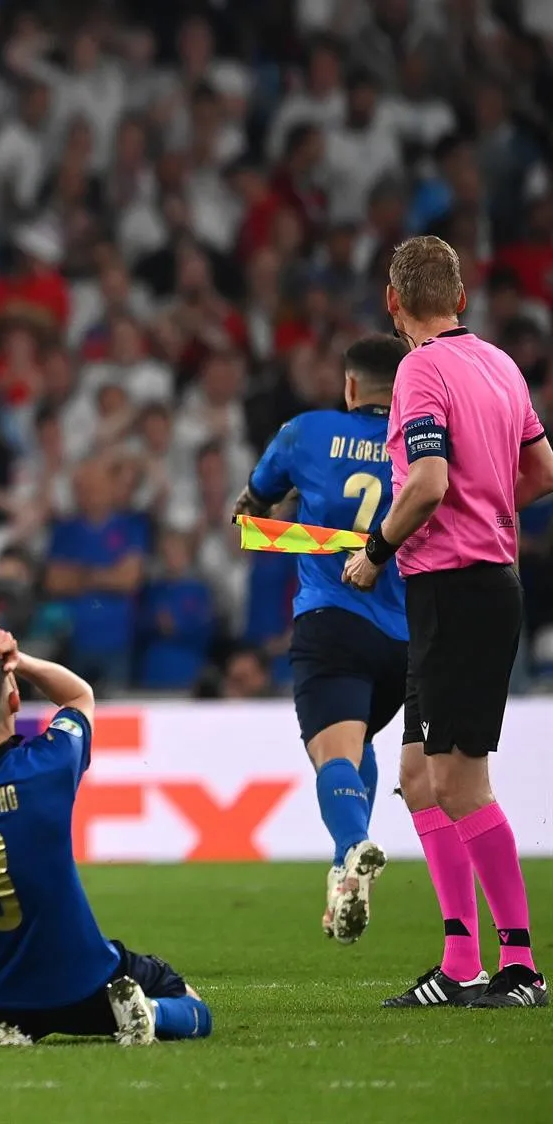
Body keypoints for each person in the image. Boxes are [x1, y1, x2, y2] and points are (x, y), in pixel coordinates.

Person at [343, 235, 551, 1008]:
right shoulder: (499, 364)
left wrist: (374, 550)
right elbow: (543, 472)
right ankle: (460, 960)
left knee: (461, 783)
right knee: (418, 778)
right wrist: (487, 509)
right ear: (459, 298)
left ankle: (522, 967)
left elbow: (426, 482)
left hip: (457, 587)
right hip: (473, 583)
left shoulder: (418, 370)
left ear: (394, 303)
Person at [0, 633, 214, 1046]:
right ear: (14, 702)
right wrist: (21, 661)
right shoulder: (47, 765)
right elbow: (80, 697)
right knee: (194, 1010)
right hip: (87, 981)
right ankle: (149, 1011)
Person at [234, 334, 411, 945]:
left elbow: (255, 498)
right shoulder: (426, 450)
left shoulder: (306, 431)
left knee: (333, 755)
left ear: (351, 386)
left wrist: (260, 513)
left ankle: (350, 850)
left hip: (333, 619)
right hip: (408, 637)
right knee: (358, 742)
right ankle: (344, 879)